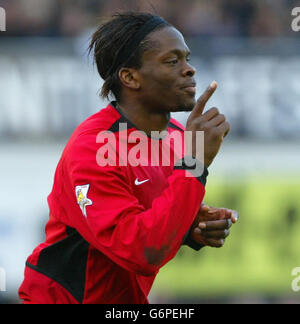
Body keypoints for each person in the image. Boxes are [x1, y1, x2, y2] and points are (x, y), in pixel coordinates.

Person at [19, 12, 237, 304]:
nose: (190, 70)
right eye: (172, 61)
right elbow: (142, 251)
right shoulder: (93, 148)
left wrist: (190, 229)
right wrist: (194, 164)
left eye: (186, 58)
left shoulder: (175, 135)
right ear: (130, 77)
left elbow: (149, 217)